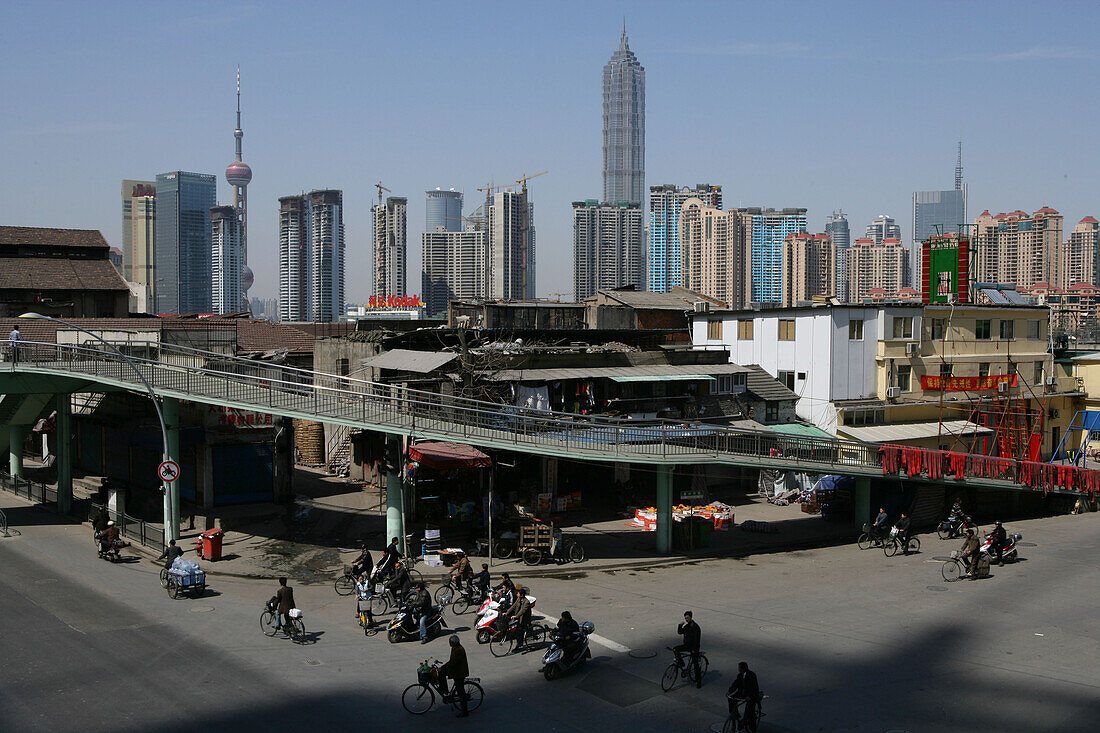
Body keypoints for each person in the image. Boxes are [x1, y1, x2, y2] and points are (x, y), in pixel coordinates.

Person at [438, 635, 470, 717]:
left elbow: (452, 663)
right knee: (441, 673)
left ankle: (464, 711)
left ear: (453, 643)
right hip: (456, 669)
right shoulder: (455, 648)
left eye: (450, 642)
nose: (449, 643)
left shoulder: (458, 650)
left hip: (459, 673)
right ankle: (444, 689)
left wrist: (442, 668)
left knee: (461, 692)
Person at [727, 661, 761, 732]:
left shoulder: (751, 675)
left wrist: (750, 696)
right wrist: (730, 691)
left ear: (742, 669)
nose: (738, 669)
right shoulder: (740, 675)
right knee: (731, 699)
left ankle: (753, 729)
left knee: (751, 712)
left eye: (739, 667)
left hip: (751, 694)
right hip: (742, 693)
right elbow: (735, 684)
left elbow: (754, 687)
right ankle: (734, 714)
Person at [674, 610, 702, 688]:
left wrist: (695, 649)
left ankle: (698, 681)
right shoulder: (686, 626)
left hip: (694, 648)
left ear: (691, 617)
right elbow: (680, 632)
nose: (686, 619)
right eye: (685, 618)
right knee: (675, 649)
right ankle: (681, 663)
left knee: (695, 664)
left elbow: (697, 639)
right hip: (687, 645)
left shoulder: (695, 627)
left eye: (687, 618)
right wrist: (680, 625)